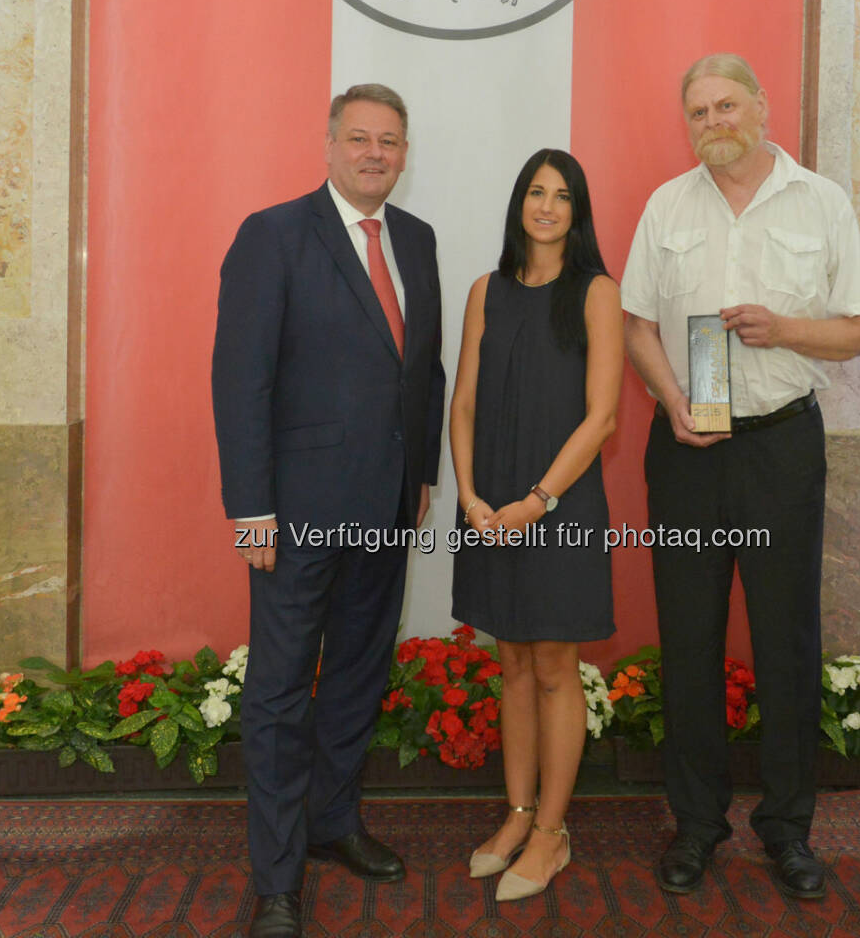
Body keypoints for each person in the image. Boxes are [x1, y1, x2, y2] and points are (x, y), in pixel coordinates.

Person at [621, 53, 860, 899]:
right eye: (697, 112)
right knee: (690, 642)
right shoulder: (667, 206)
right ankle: (696, 825)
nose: (713, 123)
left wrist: (786, 329)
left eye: (727, 105)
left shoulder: (822, 202)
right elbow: (635, 326)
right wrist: (670, 400)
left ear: (761, 107)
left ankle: (788, 829)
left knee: (786, 643)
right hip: (690, 452)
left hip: (780, 448)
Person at [211, 83, 445, 938]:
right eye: (359, 139)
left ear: (405, 153)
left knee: (355, 675)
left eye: (389, 141)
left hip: (386, 508)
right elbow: (242, 380)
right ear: (329, 144)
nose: (375, 153)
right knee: (278, 694)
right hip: (295, 515)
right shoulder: (272, 235)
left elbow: (425, 371)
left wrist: (420, 475)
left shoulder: (415, 241)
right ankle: (276, 879)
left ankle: (333, 823)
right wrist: (251, 508)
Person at [449, 149, 622, 902]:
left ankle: (553, 833)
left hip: (560, 505)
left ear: (577, 212)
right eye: (534, 192)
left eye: (561, 196)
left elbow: (603, 416)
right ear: (519, 203)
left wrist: (539, 501)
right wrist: (469, 495)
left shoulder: (596, 293)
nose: (546, 206)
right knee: (511, 664)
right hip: (490, 509)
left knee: (554, 668)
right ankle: (518, 815)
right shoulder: (486, 290)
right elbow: (462, 404)